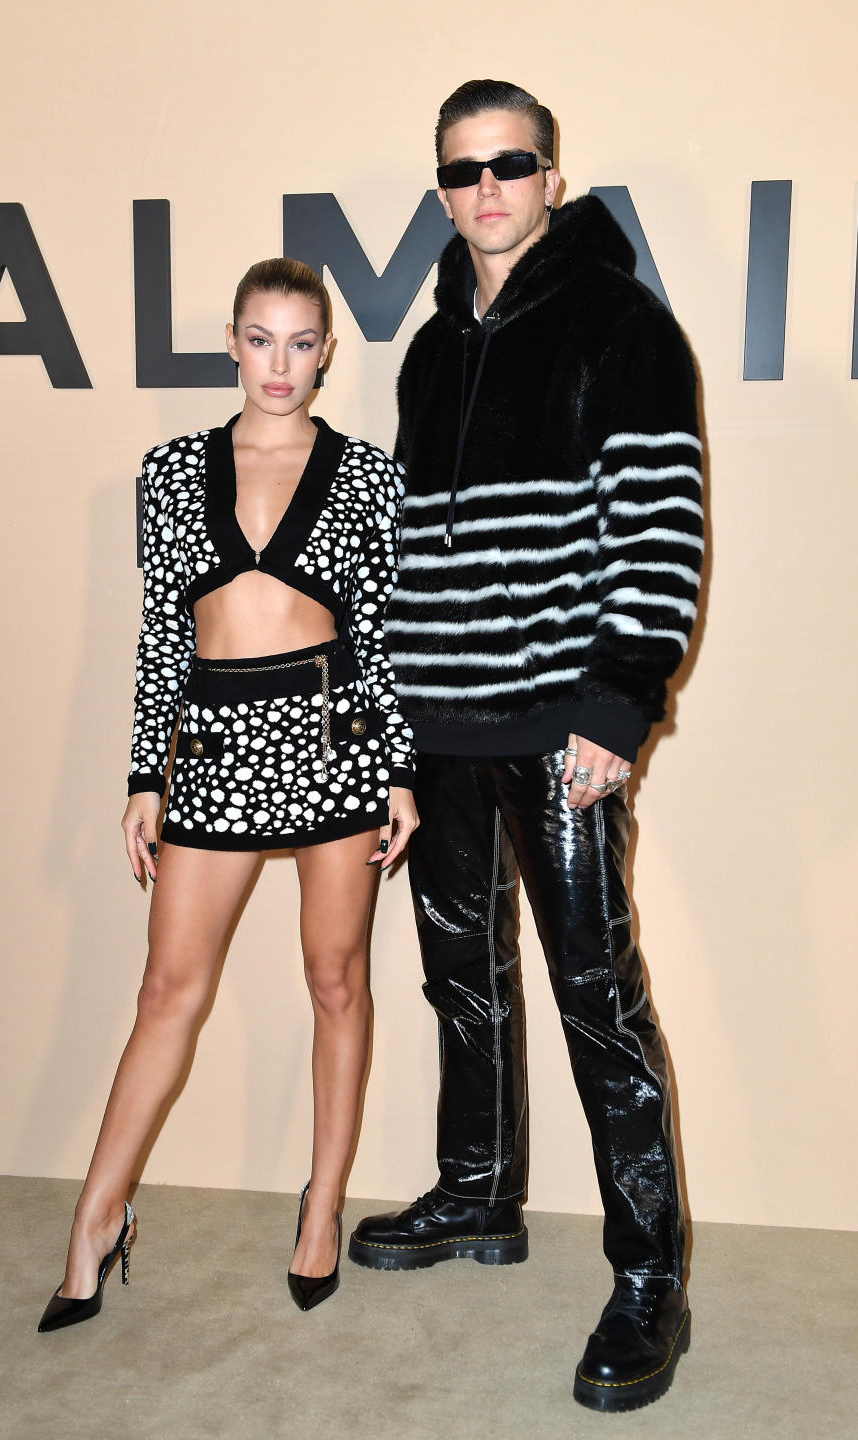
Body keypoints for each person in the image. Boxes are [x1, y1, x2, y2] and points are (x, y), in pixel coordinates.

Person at [348, 80, 703, 1412]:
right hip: (441, 729)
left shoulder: (622, 324)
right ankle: (481, 1192)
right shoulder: (433, 345)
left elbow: (660, 525)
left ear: (552, 176)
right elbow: (412, 568)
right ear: (442, 190)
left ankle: (650, 1276)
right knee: (463, 979)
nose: (487, 187)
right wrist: (394, 730)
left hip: (562, 720)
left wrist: (618, 707)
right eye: (462, 170)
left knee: (596, 998)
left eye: (512, 164)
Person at [38, 258, 417, 1330]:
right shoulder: (169, 470)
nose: (281, 364)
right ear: (232, 340)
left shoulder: (370, 477)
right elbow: (164, 637)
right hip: (215, 752)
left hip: (336, 746)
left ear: (328, 349)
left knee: (336, 982)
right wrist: (142, 774)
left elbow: (383, 641)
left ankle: (323, 1207)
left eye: (302, 343)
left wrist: (397, 770)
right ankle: (96, 1221)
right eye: (261, 339)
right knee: (168, 993)